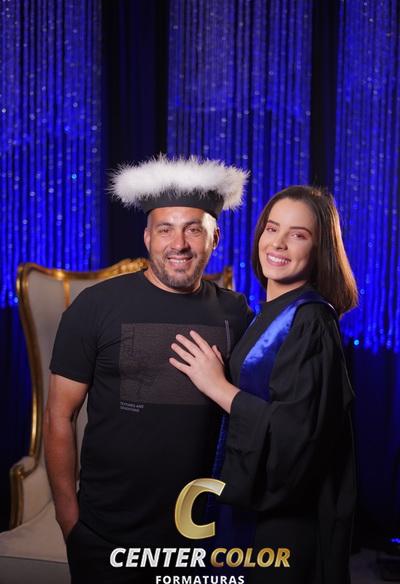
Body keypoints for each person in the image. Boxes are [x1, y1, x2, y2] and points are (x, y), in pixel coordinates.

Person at [44, 155, 253, 583]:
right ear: (147, 237)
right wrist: (69, 521)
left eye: (193, 229)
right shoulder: (95, 307)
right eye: (165, 229)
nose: (179, 243)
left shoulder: (237, 313)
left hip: (200, 536)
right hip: (107, 536)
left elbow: (253, 416)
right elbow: (58, 415)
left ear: (215, 237)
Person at [170, 185, 358, 584]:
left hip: (283, 528)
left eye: (298, 234)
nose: (278, 243)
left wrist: (217, 386)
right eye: (272, 229)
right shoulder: (267, 314)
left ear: (319, 249)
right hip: (251, 514)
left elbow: (299, 437)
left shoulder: (311, 321)